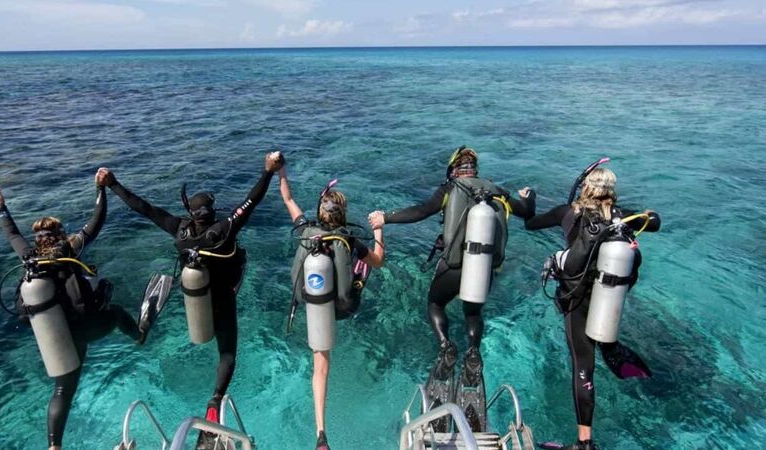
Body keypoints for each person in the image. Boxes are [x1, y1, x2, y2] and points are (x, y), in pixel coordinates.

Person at [96, 152, 283, 450]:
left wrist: (113, 183)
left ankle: (140, 330)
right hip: (223, 298)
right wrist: (268, 171)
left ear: (192, 213)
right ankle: (215, 400)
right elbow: (252, 200)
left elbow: (144, 208)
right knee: (227, 354)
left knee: (188, 300)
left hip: (194, 301)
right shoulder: (225, 228)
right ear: (212, 211)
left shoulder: (179, 229)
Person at [0, 169, 148, 450]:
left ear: (37, 239)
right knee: (116, 312)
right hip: (87, 327)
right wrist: (100, 189)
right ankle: (140, 336)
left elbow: (12, 234)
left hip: (58, 336)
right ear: (60, 233)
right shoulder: (71, 248)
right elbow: (97, 220)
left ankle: (54, 446)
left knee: (63, 390)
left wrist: (1, 207)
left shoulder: (29, 258)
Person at [368, 146, 534, 389]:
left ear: (454, 169)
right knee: (473, 313)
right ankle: (473, 353)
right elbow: (528, 212)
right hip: (484, 269)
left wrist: (386, 218)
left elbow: (421, 211)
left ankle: (446, 345)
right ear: (475, 169)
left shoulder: (449, 189)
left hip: (453, 267)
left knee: (435, 304)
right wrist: (530, 196)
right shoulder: (497, 191)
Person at [524, 165, 661, 450]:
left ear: (585, 187)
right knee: (600, 341)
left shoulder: (567, 212)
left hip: (576, 299)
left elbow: (531, 223)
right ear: (611, 190)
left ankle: (584, 443)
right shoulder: (622, 216)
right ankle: (612, 348)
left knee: (583, 366)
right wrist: (648, 214)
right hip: (607, 293)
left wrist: (529, 200)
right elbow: (655, 222)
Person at [278, 157, 385, 450]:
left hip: (316, 306)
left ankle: (321, 433)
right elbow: (379, 260)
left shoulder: (305, 231)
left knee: (321, 368)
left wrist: (280, 170)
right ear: (343, 214)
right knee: (364, 265)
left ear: (320, 212)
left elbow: (287, 198)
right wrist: (379, 229)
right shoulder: (350, 240)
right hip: (345, 306)